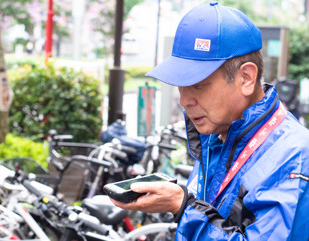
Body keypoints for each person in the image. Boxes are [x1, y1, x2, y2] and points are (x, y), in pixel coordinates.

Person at [109, 2, 309, 240]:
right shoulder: (218, 135)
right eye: (180, 86)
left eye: (198, 85)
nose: (184, 100)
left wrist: (182, 206)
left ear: (246, 78)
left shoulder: (295, 157)